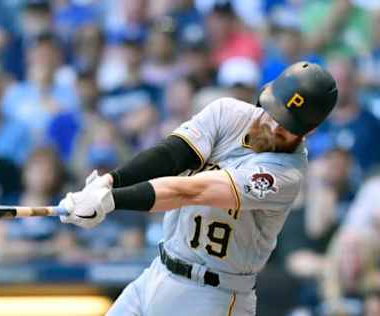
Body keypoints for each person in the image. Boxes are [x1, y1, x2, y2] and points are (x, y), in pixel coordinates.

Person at [58, 61, 338, 315]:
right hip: (158, 271)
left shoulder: (284, 174)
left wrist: (110, 201)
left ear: (308, 131)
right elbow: (171, 155)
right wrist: (106, 183)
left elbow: (189, 191)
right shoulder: (228, 112)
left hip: (212, 296)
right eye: (273, 111)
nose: (274, 124)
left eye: (287, 125)